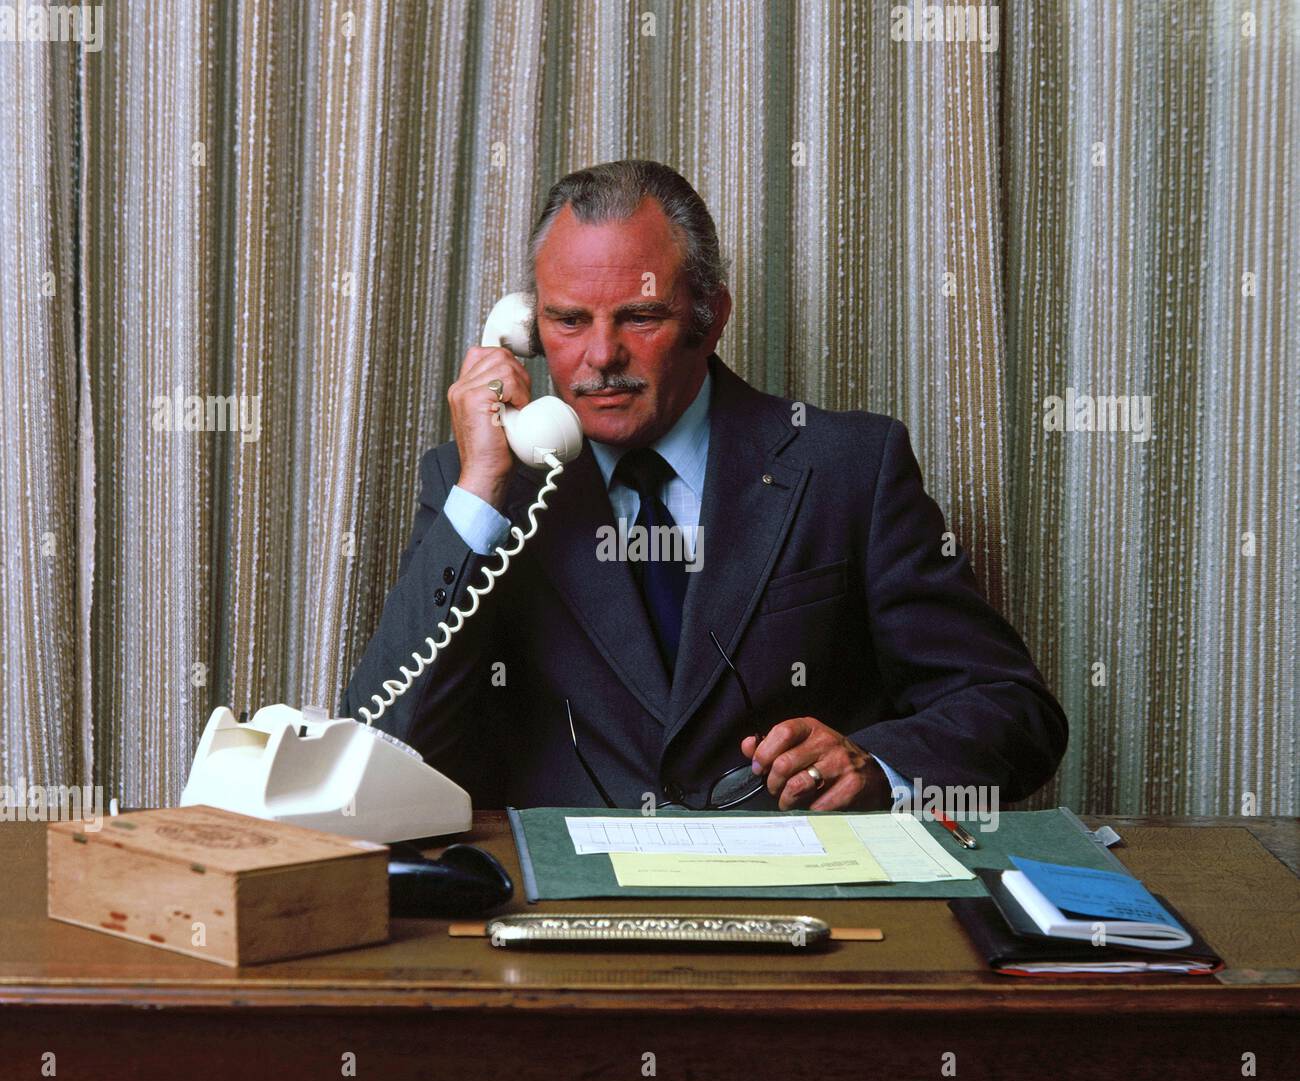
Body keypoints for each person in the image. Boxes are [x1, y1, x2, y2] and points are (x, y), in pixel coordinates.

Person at [340, 159, 1067, 813]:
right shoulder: (478, 484)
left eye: (640, 316)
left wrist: (875, 764)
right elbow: (383, 748)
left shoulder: (851, 466)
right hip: (563, 920)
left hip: (809, 913)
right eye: (567, 320)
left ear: (708, 316)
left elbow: (1011, 709)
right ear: (524, 331)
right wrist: (481, 489)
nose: (600, 357)